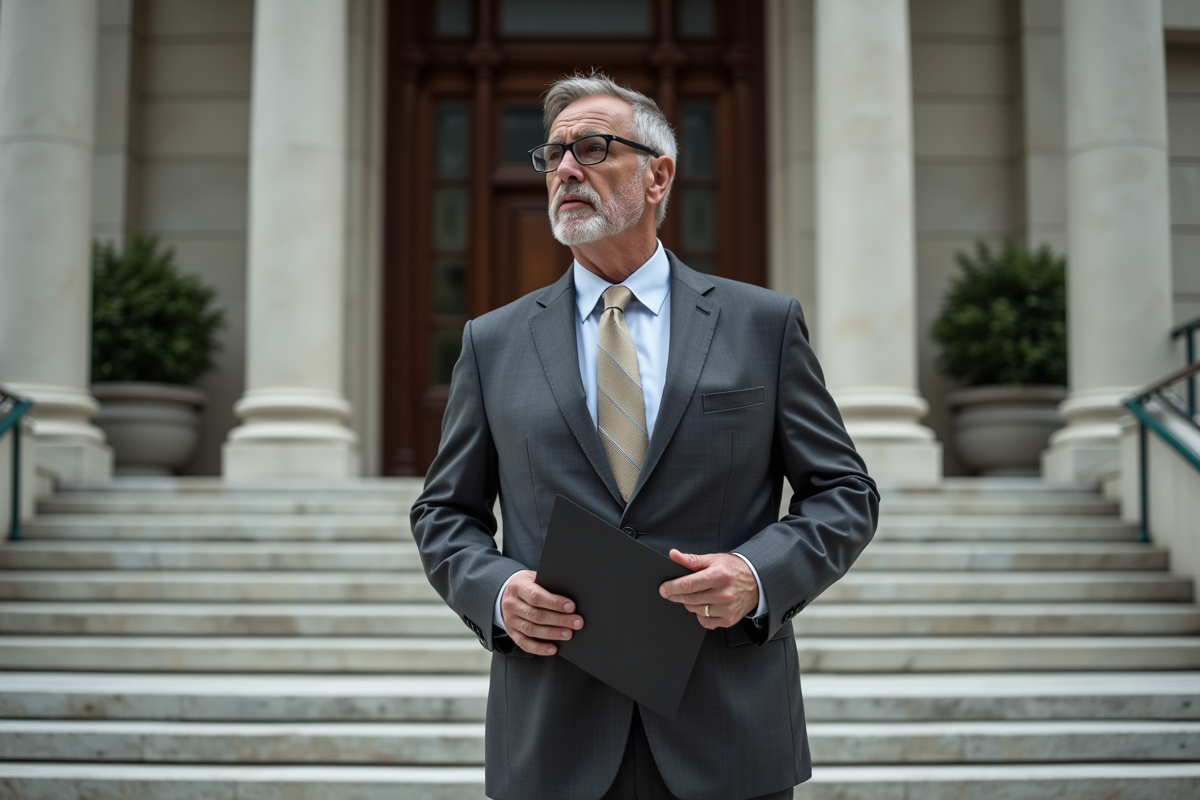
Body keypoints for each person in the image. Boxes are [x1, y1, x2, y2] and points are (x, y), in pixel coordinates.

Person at [411, 72, 879, 800]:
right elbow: (443, 514)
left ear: (658, 175)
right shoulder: (492, 342)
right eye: (554, 154)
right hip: (552, 739)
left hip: (728, 731)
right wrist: (497, 591)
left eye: (592, 148)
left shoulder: (764, 326)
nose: (565, 169)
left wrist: (757, 577)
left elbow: (844, 493)